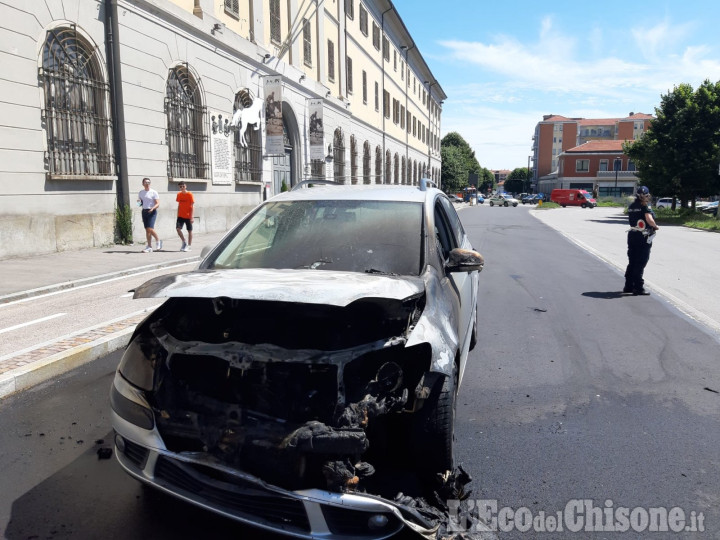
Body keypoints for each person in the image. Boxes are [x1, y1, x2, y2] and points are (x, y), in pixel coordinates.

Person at [623, 186, 659, 295]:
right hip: (643, 236)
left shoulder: (632, 206)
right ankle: (638, 287)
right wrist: (655, 226)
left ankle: (628, 286)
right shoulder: (645, 206)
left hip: (632, 235)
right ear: (647, 195)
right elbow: (649, 219)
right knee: (641, 261)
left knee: (632, 261)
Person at [138, 177, 161, 253]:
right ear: (143, 184)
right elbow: (139, 204)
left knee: (150, 229)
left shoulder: (153, 192)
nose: (147, 184)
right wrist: (138, 202)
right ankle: (149, 246)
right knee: (147, 230)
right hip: (144, 211)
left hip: (152, 211)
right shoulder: (141, 192)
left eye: (148, 182)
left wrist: (152, 208)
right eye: (146, 182)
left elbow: (158, 203)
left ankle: (158, 240)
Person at [175, 181, 194, 252]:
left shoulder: (190, 194)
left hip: (188, 215)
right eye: (180, 186)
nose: (182, 188)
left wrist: (192, 217)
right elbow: (179, 205)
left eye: (183, 186)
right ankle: (184, 241)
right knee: (178, 229)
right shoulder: (179, 194)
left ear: (186, 186)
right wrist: (177, 214)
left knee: (189, 230)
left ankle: (189, 246)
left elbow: (192, 206)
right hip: (180, 215)